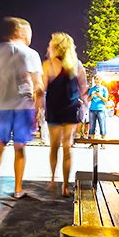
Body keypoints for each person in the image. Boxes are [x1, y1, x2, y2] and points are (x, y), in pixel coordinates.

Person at [0, 17, 44, 199]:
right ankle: (17, 189)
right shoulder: (30, 54)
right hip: (23, 105)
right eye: (29, 32)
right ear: (20, 32)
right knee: (19, 147)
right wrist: (38, 108)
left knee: (0, 144)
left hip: (2, 105)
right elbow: (38, 85)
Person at [42, 33, 87, 197]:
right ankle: (65, 186)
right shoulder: (77, 65)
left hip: (55, 108)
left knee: (54, 146)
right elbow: (84, 87)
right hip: (70, 108)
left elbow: (42, 88)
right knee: (66, 147)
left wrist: (38, 107)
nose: (48, 46)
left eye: (51, 44)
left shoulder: (48, 65)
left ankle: (54, 180)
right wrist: (85, 105)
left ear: (57, 46)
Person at [88, 76, 108, 143]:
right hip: (92, 109)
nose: (97, 81)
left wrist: (99, 95)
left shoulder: (104, 89)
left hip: (101, 109)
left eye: (98, 79)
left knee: (102, 125)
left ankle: (103, 143)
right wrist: (92, 95)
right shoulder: (91, 89)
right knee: (91, 126)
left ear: (101, 80)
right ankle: (92, 142)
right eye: (96, 79)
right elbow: (88, 100)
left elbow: (106, 100)